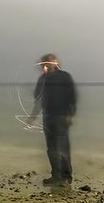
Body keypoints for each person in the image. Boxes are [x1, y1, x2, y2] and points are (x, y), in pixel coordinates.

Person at [26, 53, 77, 186]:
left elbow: (72, 97)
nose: (45, 65)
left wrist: (70, 115)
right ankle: (56, 176)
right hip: (48, 117)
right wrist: (32, 117)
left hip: (61, 116)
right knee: (51, 148)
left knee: (63, 147)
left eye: (47, 62)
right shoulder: (43, 79)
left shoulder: (65, 76)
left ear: (54, 63)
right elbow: (38, 100)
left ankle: (66, 177)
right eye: (43, 63)